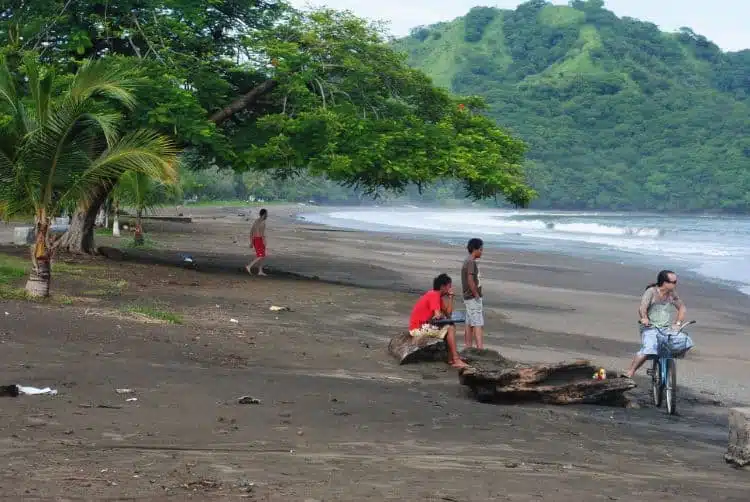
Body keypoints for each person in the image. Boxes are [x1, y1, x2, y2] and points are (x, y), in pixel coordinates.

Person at [624, 270, 688, 378]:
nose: (675, 284)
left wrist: (677, 323)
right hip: (650, 327)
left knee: (683, 342)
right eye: (672, 282)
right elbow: (642, 307)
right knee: (649, 349)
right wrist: (644, 318)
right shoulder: (651, 292)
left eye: (675, 282)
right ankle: (630, 371)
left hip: (665, 328)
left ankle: (668, 372)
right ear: (664, 282)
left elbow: (682, 308)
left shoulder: (672, 294)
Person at [409, 274, 468, 369]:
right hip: (418, 328)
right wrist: (440, 316)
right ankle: (455, 359)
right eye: (449, 286)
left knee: (450, 325)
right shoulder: (434, 295)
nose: (450, 288)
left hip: (422, 326)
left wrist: (450, 298)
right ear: (442, 287)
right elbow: (437, 315)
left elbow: (448, 313)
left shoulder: (437, 296)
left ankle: (451, 358)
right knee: (450, 328)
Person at [461, 238, 485, 349]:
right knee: (477, 322)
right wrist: (476, 294)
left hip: (468, 296)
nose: (482, 251)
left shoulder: (468, 260)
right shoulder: (471, 262)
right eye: (480, 249)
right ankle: (480, 348)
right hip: (472, 297)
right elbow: (470, 279)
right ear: (475, 249)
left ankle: (468, 346)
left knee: (469, 322)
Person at [246, 208, 268, 276]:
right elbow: (262, 234)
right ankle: (249, 266)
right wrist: (264, 242)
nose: (267, 215)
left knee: (262, 256)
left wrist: (251, 242)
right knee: (261, 255)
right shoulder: (263, 223)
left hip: (255, 240)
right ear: (264, 214)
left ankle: (260, 271)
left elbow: (251, 232)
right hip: (259, 240)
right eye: (266, 214)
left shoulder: (256, 221)